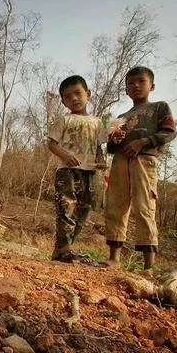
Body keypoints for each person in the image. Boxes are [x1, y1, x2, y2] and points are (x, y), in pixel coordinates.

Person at [104, 66, 176, 274]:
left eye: (140, 81)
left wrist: (143, 141)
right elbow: (111, 146)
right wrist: (112, 139)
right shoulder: (122, 116)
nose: (135, 85)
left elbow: (169, 132)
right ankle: (113, 258)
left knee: (144, 207)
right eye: (130, 83)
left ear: (151, 86)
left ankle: (148, 266)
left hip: (144, 161)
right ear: (126, 90)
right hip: (120, 162)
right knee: (116, 205)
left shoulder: (159, 108)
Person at [47, 75, 107, 262]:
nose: (73, 98)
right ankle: (65, 248)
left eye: (78, 93)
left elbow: (99, 146)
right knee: (66, 208)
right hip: (66, 171)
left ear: (88, 94)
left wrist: (101, 160)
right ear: (63, 101)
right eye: (67, 96)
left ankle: (62, 248)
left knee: (83, 210)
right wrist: (65, 155)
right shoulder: (64, 120)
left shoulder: (97, 122)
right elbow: (51, 143)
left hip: (89, 172)